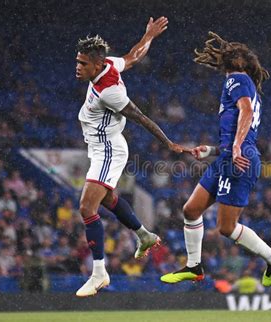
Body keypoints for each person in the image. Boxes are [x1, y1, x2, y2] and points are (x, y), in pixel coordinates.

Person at [160, 32, 271, 287]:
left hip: (238, 160)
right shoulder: (239, 83)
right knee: (191, 210)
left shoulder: (238, 80)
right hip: (228, 158)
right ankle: (193, 266)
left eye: (239, 52)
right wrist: (210, 150)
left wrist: (238, 147)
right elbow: (239, 129)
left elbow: (246, 112)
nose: (233, 51)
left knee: (226, 228)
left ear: (244, 63)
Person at [74, 17, 189, 297]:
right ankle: (144, 235)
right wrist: (148, 35)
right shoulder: (110, 64)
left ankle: (99, 273)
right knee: (108, 198)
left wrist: (169, 143)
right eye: (77, 61)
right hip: (99, 146)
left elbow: (140, 118)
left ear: (97, 65)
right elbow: (133, 56)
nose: (78, 68)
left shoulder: (109, 91)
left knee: (87, 208)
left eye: (83, 64)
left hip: (109, 149)